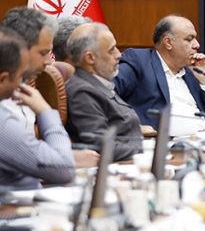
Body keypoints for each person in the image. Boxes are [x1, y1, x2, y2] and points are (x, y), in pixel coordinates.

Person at [114, 14, 205, 133]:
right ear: (168, 42)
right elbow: (105, 93)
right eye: (189, 39)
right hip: (163, 142)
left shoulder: (193, 71)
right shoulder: (140, 61)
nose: (197, 45)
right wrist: (130, 126)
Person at [0, 28, 75, 190]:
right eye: (21, 77)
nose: (22, 84)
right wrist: (45, 111)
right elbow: (64, 169)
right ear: (3, 79)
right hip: (15, 205)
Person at [66, 23, 142, 161]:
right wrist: (147, 151)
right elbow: (101, 145)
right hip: (118, 166)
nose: (119, 55)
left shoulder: (100, 83)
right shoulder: (82, 92)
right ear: (90, 58)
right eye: (111, 50)